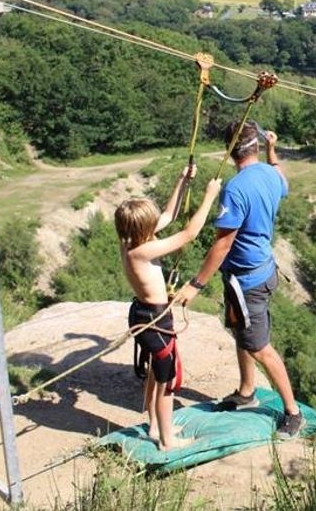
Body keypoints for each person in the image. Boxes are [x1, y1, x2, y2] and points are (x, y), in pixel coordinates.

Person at [174, 121, 305, 439]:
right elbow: (283, 182)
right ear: (257, 147)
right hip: (255, 273)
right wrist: (274, 152)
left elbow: (223, 242)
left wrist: (196, 283)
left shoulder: (236, 188)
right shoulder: (271, 174)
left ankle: (293, 413)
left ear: (230, 152)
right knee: (240, 332)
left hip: (249, 281)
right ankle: (247, 392)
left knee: (260, 347)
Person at [114, 164, 222, 451]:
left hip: (144, 315)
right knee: (166, 382)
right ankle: (166, 440)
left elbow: (168, 216)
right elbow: (189, 234)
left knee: (153, 374)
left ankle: (154, 426)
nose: (157, 224)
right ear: (143, 229)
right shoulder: (143, 249)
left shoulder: (129, 241)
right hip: (155, 320)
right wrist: (210, 196)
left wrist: (182, 182)